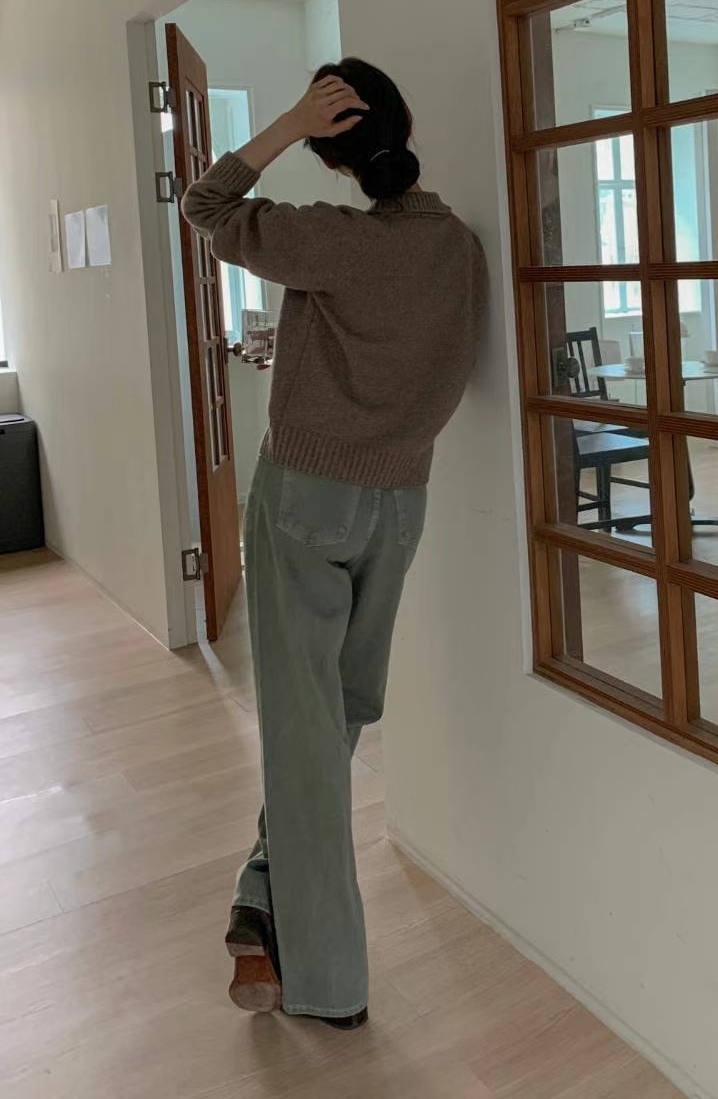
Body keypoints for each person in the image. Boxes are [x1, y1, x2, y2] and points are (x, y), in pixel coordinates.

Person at [181, 59, 487, 1028]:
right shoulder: (456, 246)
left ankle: (325, 983)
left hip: (309, 494)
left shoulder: (331, 240)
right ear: (406, 129)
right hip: (400, 502)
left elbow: (205, 205)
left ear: (331, 151)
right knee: (341, 708)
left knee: (304, 726)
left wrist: (283, 123)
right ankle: (262, 894)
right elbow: (431, 363)